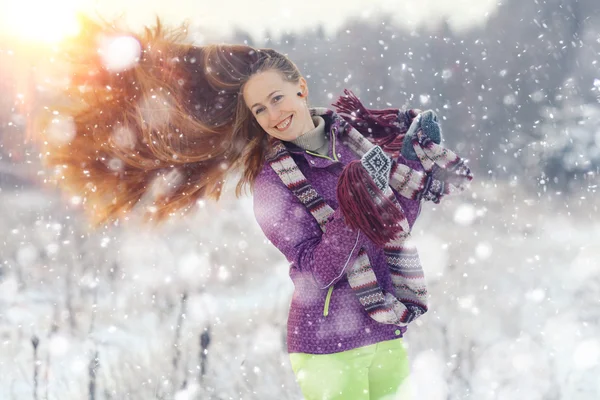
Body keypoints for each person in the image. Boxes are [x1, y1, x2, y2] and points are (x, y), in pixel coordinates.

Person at [38, 18, 473, 400]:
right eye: (260, 109)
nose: (273, 114)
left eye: (278, 98)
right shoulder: (273, 183)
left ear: (300, 89)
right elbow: (316, 271)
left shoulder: (356, 144)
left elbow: (394, 228)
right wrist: (354, 207)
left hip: (385, 327)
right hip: (326, 345)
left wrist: (413, 161)